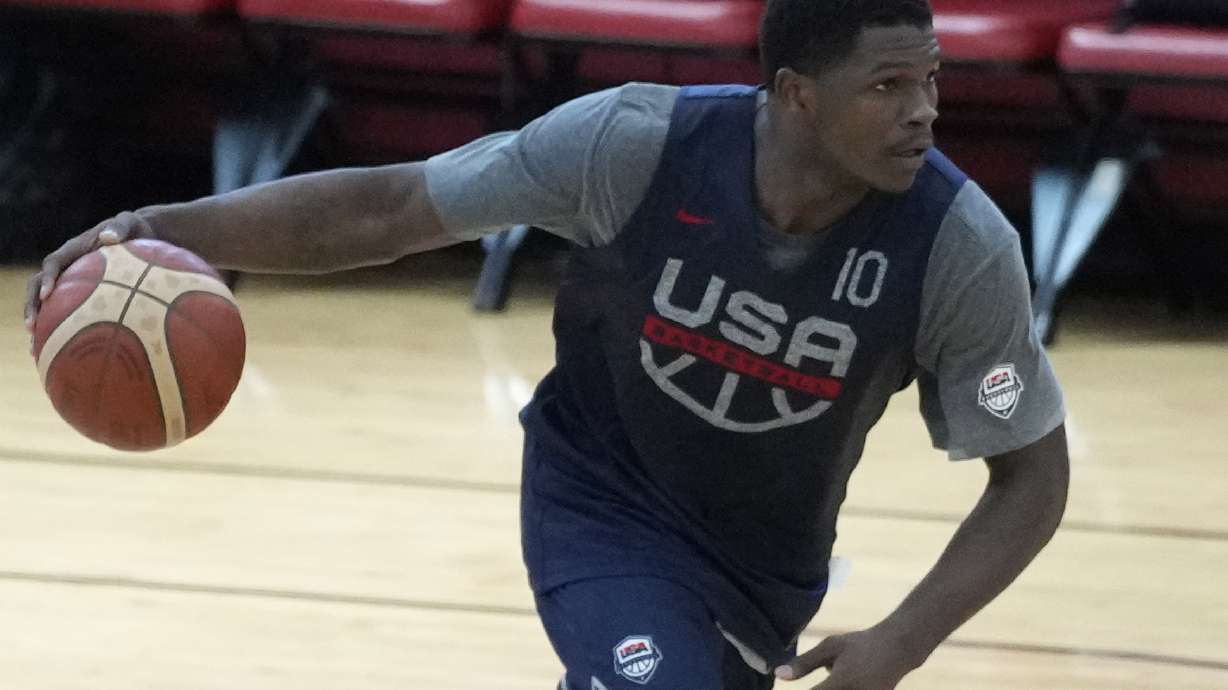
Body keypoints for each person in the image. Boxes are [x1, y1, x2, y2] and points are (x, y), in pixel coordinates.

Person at [23, 0, 1070, 688]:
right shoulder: (631, 146)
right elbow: (387, 209)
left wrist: (901, 641)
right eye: (888, 87)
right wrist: (166, 225)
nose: (923, 113)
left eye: (929, 82)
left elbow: (1030, 475)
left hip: (765, 568)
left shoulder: (956, 244)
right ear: (795, 94)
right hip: (602, 502)